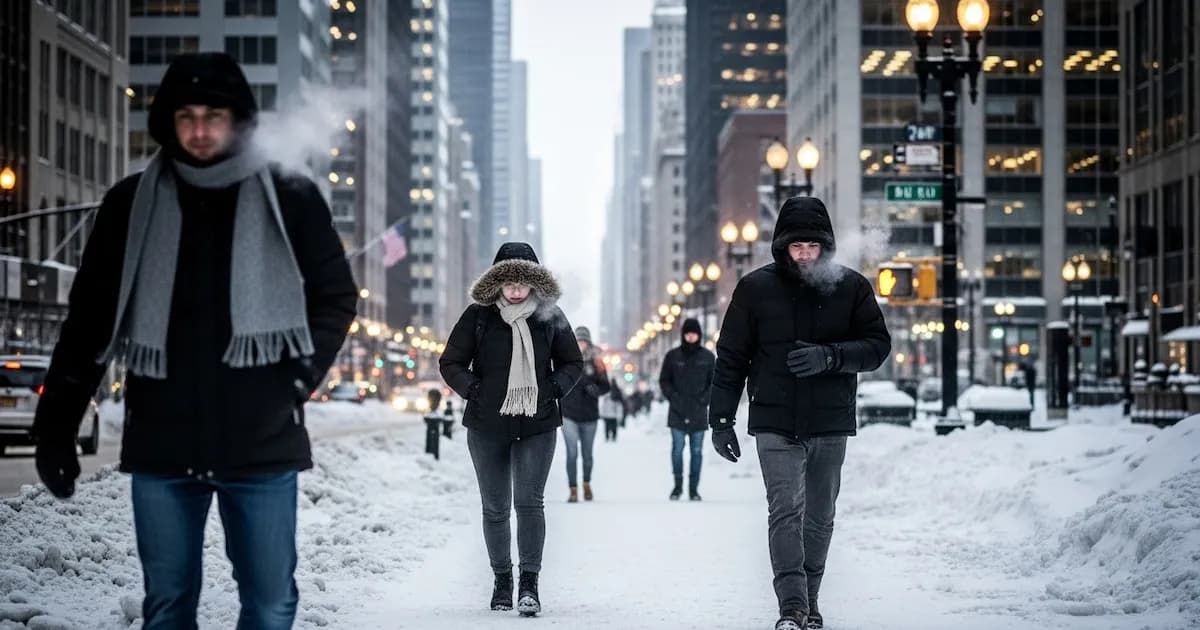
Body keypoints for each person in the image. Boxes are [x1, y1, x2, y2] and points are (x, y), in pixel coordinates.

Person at [31, 52, 358, 630]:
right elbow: (88, 321)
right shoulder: (131, 203)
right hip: (162, 440)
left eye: (214, 115)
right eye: (186, 116)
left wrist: (298, 378)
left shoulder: (289, 195)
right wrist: (57, 427)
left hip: (261, 441)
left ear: (239, 120)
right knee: (168, 606)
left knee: (270, 602)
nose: (201, 131)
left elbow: (334, 295)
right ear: (167, 121)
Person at [707, 197, 891, 630]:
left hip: (829, 420)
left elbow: (877, 346)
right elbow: (731, 357)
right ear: (782, 247)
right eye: (797, 246)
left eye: (812, 245)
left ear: (825, 246)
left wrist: (831, 357)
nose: (805, 254)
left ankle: (810, 598)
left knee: (820, 514)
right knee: (785, 510)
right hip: (774, 419)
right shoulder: (755, 288)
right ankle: (792, 606)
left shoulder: (851, 286)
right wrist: (721, 420)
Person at [439, 242, 583, 617]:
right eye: (508, 280)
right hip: (487, 425)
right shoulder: (478, 316)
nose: (516, 288)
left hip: (537, 424)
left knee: (529, 503)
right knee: (496, 507)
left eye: (523, 280)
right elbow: (451, 361)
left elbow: (572, 362)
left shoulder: (550, 317)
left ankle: (529, 583)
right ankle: (502, 579)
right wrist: (475, 390)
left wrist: (551, 390)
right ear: (496, 282)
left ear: (534, 283)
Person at [658, 318, 715, 501]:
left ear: (699, 334)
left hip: (698, 411)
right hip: (677, 412)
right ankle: (677, 485)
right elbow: (664, 380)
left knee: (696, 451)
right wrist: (673, 397)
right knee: (677, 449)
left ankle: (693, 488)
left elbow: (713, 382)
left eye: (694, 333)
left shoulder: (707, 357)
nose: (691, 336)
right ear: (683, 335)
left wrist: (704, 400)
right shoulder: (673, 356)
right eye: (688, 333)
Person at [558, 326, 610, 502]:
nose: (581, 344)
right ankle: (573, 489)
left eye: (584, 341)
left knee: (587, 454)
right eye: (578, 341)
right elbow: (556, 380)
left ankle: (587, 484)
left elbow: (606, 386)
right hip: (568, 414)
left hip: (589, 416)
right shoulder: (564, 359)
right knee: (572, 453)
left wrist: (595, 389)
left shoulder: (597, 361)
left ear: (588, 343)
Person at [599, 377, 624, 442]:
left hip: (609, 413)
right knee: (613, 426)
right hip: (613, 413)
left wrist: (602, 413)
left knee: (607, 426)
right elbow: (620, 404)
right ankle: (613, 437)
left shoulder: (607, 391)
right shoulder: (617, 391)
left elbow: (603, 404)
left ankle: (608, 437)